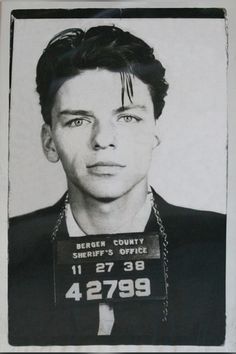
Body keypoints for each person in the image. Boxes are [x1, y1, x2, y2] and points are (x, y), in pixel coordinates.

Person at [8, 25, 226, 346]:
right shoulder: (9, 248)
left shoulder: (220, 245)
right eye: (78, 120)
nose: (104, 140)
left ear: (154, 132)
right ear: (49, 141)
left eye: (127, 118)